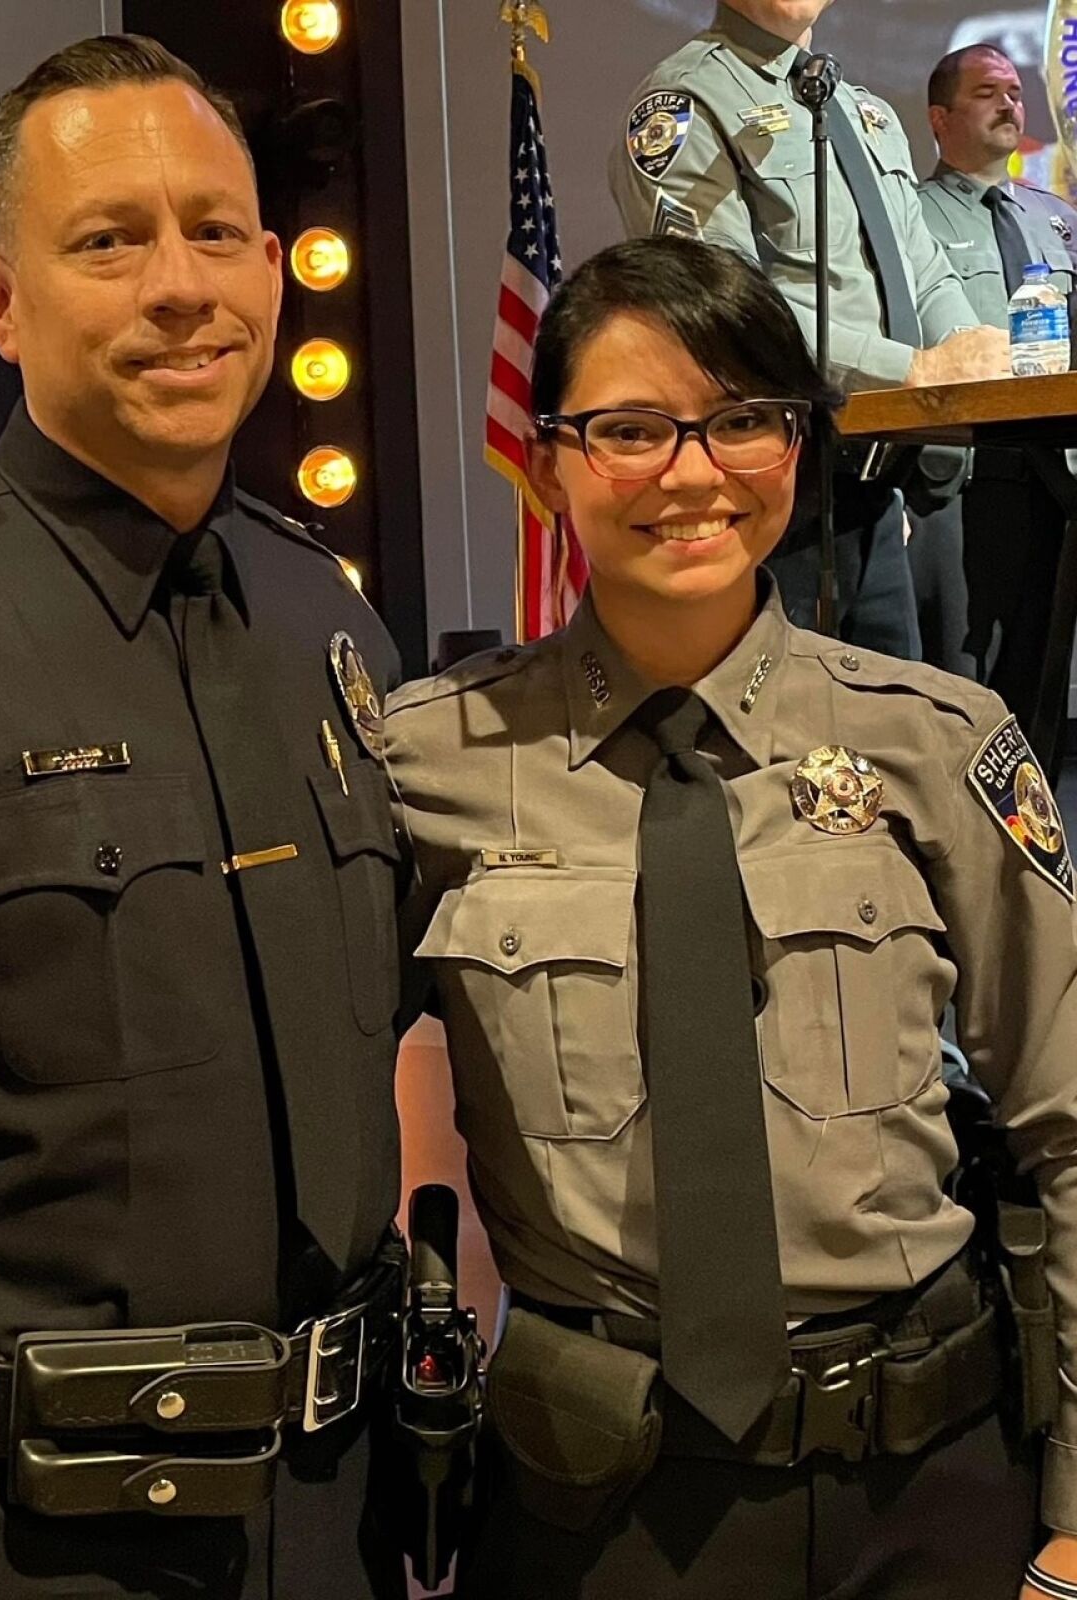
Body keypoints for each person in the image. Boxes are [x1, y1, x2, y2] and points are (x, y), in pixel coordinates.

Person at [385, 235, 1077, 1600]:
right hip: (600, 1499)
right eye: (631, 429)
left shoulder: (939, 744)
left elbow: (1071, 1117)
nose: (693, 474)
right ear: (547, 464)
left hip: (931, 1476)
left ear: (796, 448)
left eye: (744, 421)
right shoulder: (428, 763)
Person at [0, 35, 404, 1600]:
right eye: (109, 240)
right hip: (19, 1541)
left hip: (346, 1519)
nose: (185, 286)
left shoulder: (332, 619)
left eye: (218, 231)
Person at [607, 0, 1010, 666]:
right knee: (781, 747)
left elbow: (925, 272)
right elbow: (723, 307)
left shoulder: (860, 110)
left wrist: (978, 357)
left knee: (883, 736)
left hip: (876, 487)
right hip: (770, 489)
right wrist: (913, 370)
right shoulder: (682, 104)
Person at [919, 43, 1077, 733]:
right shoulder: (912, 216)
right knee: (963, 691)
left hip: (1060, 479)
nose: (1011, 103)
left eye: (1015, 91)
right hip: (969, 480)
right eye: (988, 92)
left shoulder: (1056, 217)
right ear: (940, 117)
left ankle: (1035, 834)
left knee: (1041, 679)